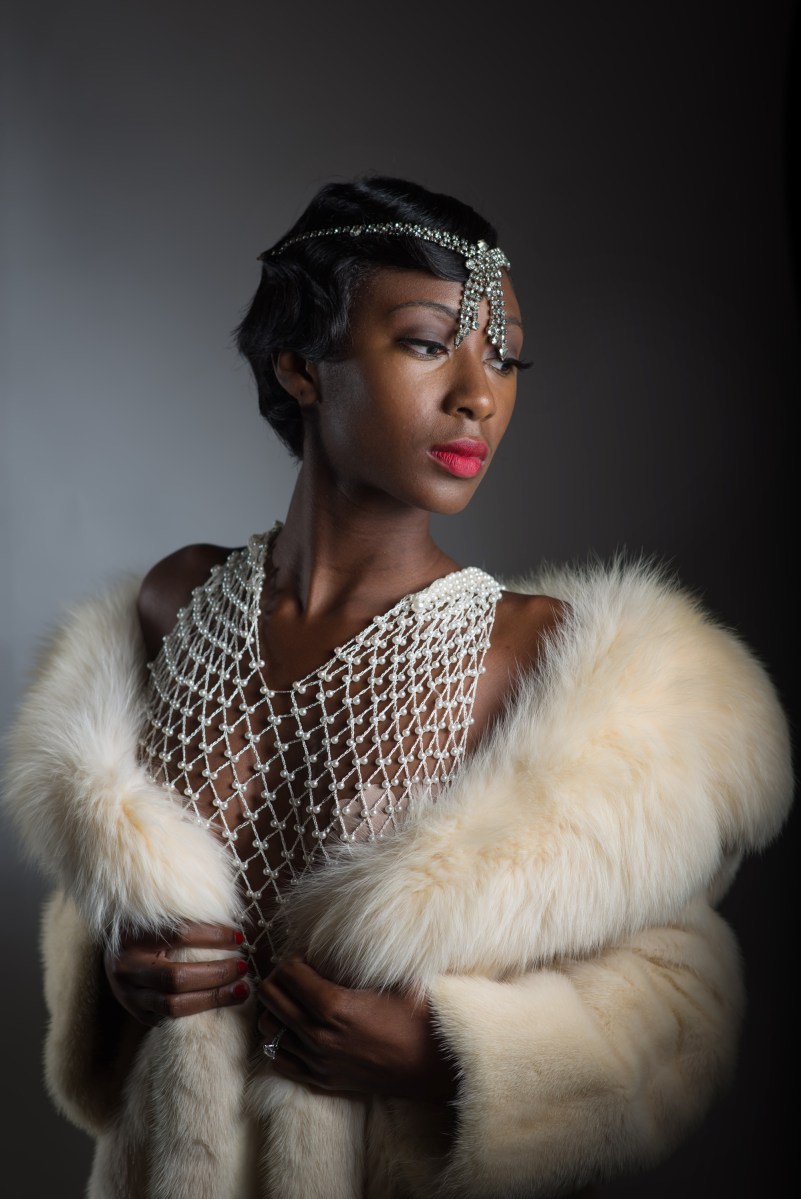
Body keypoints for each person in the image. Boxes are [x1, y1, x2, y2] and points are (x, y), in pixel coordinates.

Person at [3, 174, 793, 1199]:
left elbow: (680, 996)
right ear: (300, 365)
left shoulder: (538, 657)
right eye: (428, 343)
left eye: (504, 357)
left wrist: (445, 1052)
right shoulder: (175, 598)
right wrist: (116, 964)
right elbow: (108, 891)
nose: (479, 395)